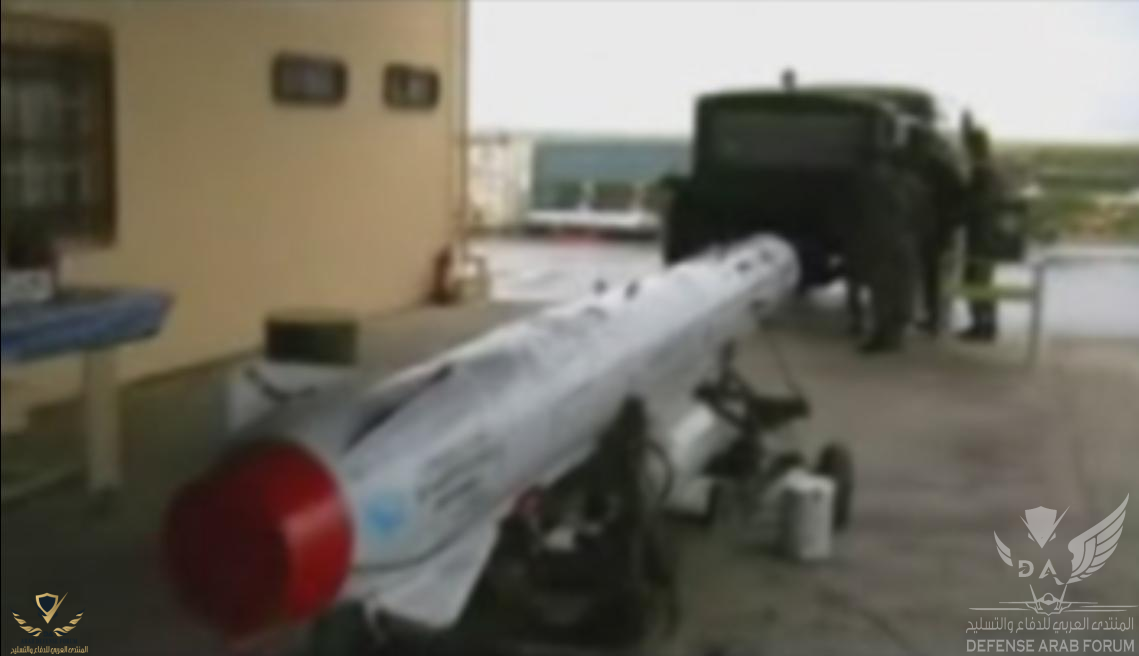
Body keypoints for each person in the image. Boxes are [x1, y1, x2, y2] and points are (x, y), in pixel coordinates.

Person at [848, 156, 919, 354]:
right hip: (904, 241)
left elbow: (870, 217)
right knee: (900, 288)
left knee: (884, 289)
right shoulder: (910, 184)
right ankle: (893, 334)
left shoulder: (879, 187)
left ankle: (885, 334)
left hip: (887, 242)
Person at [959, 121, 1002, 341]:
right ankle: (984, 324)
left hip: (980, 236)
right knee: (981, 281)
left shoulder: (981, 172)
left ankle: (983, 326)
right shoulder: (990, 170)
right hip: (988, 235)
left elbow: (976, 203)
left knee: (976, 281)